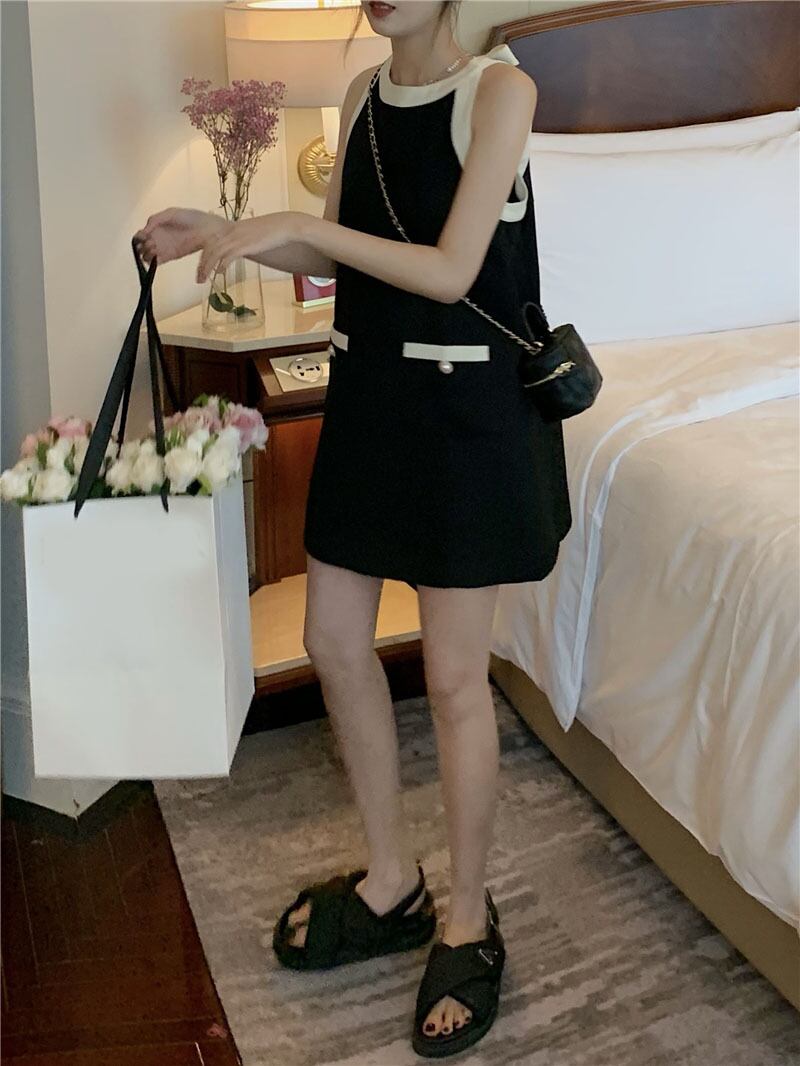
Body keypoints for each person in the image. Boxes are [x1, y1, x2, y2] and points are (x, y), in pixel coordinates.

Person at [134, 0, 571, 1055]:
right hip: (373, 406)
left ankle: (467, 918)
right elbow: (340, 263)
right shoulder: (365, 93)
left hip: (465, 422)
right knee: (333, 639)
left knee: (454, 679)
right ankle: (392, 879)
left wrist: (299, 224)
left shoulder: (501, 93)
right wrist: (222, 233)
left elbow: (450, 270)